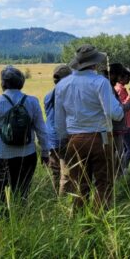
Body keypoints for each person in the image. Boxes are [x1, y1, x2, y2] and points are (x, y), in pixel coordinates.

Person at [54, 45, 124, 211]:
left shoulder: (63, 85)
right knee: (104, 182)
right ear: (95, 63)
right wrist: (122, 110)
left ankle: (80, 221)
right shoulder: (100, 82)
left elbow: (59, 120)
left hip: (74, 139)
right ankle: (99, 218)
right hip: (100, 138)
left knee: (79, 183)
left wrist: (66, 139)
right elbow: (113, 112)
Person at [0, 66, 50, 205]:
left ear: (3, 83)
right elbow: (41, 129)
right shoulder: (32, 101)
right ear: (21, 83)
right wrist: (45, 152)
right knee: (23, 193)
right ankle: (22, 220)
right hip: (27, 154)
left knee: (0, 196)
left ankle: (3, 221)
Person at [43, 64, 72, 195]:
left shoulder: (48, 96)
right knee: (66, 173)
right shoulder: (66, 95)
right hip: (64, 137)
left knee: (55, 172)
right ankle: (63, 201)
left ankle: (56, 199)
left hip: (50, 138)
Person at [108, 63, 130, 176]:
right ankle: (121, 171)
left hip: (127, 124)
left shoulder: (122, 89)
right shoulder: (118, 90)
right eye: (127, 76)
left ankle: (121, 170)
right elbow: (119, 107)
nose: (128, 79)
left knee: (125, 149)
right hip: (123, 125)